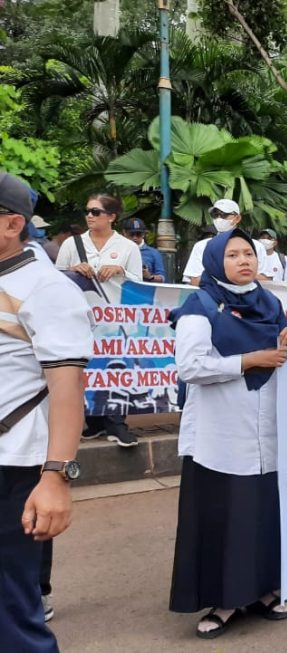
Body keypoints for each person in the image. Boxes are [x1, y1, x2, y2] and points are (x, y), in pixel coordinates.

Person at [168, 229, 287, 639]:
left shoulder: (271, 303)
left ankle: (265, 587)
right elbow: (190, 367)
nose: (244, 260)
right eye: (232, 254)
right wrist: (249, 360)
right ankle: (226, 600)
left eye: (249, 253)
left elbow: (283, 355)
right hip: (220, 433)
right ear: (215, 261)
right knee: (226, 517)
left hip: (268, 430)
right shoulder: (201, 304)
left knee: (264, 514)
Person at [0, 172, 91, 653]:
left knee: (12, 613)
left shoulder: (46, 288)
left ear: (13, 223)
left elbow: (68, 385)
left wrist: (56, 476)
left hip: (13, 467)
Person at [56, 193, 143, 448]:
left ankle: (116, 423)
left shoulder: (127, 247)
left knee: (115, 370)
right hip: (80, 319)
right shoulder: (72, 245)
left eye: (96, 212)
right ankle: (93, 422)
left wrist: (121, 271)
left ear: (112, 217)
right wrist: (73, 270)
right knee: (86, 370)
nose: (90, 216)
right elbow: (55, 278)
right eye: (88, 211)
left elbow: (139, 286)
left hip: (116, 321)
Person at [183, 199, 270, 285]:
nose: (219, 218)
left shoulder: (256, 246)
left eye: (224, 215)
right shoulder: (201, 246)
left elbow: (265, 279)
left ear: (237, 218)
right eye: (215, 215)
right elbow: (194, 280)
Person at [123, 217, 166, 282]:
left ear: (143, 234)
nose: (135, 237)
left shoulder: (154, 253)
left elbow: (162, 278)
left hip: (144, 289)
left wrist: (149, 276)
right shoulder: (119, 250)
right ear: (125, 233)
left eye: (138, 234)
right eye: (131, 234)